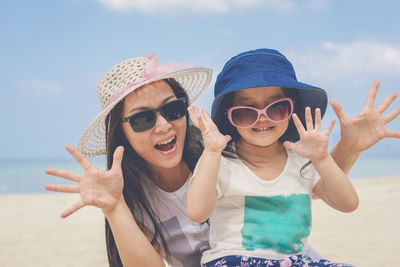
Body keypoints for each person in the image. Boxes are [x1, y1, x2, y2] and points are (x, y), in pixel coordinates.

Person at [44, 53, 400, 267]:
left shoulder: (221, 148)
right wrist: (114, 206)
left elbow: (302, 185)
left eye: (172, 109)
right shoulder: (134, 195)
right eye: (142, 118)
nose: (164, 125)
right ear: (121, 132)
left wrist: (350, 146)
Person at [186, 48, 362, 266]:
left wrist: (323, 159)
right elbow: (197, 211)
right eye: (246, 111)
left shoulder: (301, 162)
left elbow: (348, 203)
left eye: (276, 108)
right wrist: (211, 152)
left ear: (292, 109)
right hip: (233, 260)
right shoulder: (221, 162)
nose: (262, 118)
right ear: (229, 116)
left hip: (293, 261)